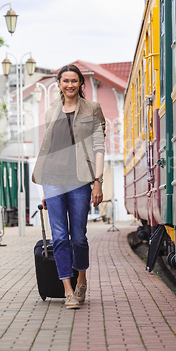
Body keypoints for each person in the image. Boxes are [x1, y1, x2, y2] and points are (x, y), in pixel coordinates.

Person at [32, 64, 106, 309]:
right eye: (66, 81)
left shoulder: (93, 109)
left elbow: (99, 147)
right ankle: (68, 291)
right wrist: (44, 189)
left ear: (80, 83)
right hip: (52, 178)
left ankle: (81, 279)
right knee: (60, 237)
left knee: (78, 237)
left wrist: (98, 181)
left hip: (79, 180)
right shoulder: (52, 109)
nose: (70, 85)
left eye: (74, 81)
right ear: (59, 83)